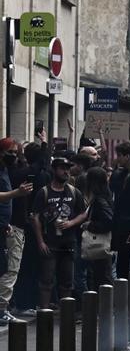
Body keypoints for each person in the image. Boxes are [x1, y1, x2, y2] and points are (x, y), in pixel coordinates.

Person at [30, 157, 85, 308]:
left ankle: (65, 314)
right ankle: (45, 312)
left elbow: (83, 213)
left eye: (67, 168)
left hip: (69, 243)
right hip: (50, 242)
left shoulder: (74, 192)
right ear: (54, 170)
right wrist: (40, 241)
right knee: (46, 280)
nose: (66, 171)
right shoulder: (44, 192)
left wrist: (71, 223)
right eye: (62, 168)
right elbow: (35, 217)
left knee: (67, 281)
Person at [0, 138, 34, 322]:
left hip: (5, 226)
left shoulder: (5, 170)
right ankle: (1, 310)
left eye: (16, 153)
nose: (13, 156)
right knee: (9, 269)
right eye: (10, 152)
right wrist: (16, 193)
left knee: (6, 268)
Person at [109, 141, 130, 278]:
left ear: (127, 156)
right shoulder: (119, 175)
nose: (118, 158)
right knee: (121, 263)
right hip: (120, 224)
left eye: (120, 155)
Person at [80, 166, 114, 291]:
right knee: (101, 276)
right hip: (102, 244)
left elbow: (109, 222)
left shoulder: (100, 200)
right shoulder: (105, 197)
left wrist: (90, 225)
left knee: (102, 277)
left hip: (100, 244)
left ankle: (105, 307)